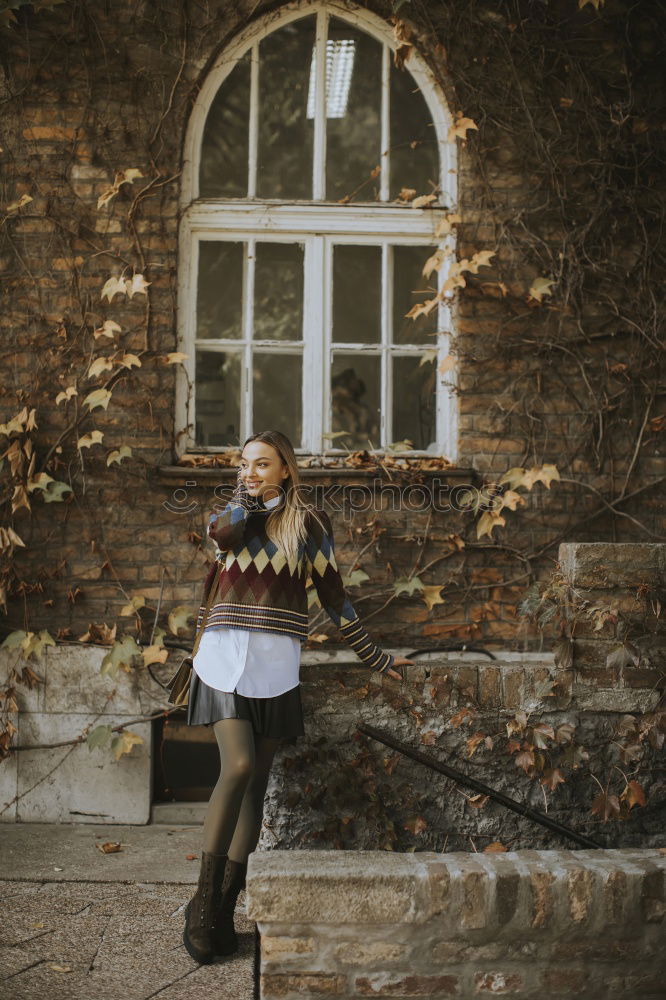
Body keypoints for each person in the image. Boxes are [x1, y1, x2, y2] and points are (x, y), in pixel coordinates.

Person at [182, 430, 414, 964]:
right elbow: (222, 537)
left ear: (285, 469)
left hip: (275, 666)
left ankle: (223, 910)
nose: (252, 472)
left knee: (257, 793)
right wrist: (245, 499)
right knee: (237, 767)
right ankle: (200, 902)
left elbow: (335, 597)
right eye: (245, 464)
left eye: (263, 465)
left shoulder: (308, 524)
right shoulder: (229, 517)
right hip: (221, 656)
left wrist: (376, 658)